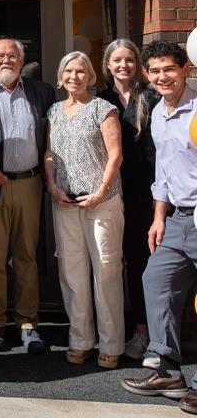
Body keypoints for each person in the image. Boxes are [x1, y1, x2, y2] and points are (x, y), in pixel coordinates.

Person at [121, 41, 197, 411]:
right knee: (156, 280)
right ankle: (167, 369)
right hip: (177, 219)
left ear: (185, 68)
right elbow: (163, 173)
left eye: (169, 68)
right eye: (154, 71)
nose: (162, 76)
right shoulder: (157, 115)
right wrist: (158, 217)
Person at [0, 38, 55, 354]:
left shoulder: (41, 92)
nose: (6, 60)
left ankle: (28, 324)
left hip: (29, 183)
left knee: (27, 257)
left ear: (22, 60)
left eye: (12, 55)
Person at [45, 51, 123, 369]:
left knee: (105, 272)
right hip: (65, 202)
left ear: (90, 76)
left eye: (80, 71)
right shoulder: (53, 111)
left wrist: (101, 191)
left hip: (102, 202)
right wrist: (52, 186)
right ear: (61, 76)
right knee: (72, 273)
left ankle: (112, 343)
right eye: (68, 71)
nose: (74, 76)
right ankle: (81, 340)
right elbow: (49, 154)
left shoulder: (103, 109)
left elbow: (116, 155)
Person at [97, 39, 158, 361]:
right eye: (117, 60)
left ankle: (145, 332)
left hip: (144, 194)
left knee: (141, 263)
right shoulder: (100, 99)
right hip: (110, 193)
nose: (123, 66)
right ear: (108, 65)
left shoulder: (152, 96)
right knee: (110, 263)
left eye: (129, 60)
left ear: (138, 64)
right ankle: (113, 330)